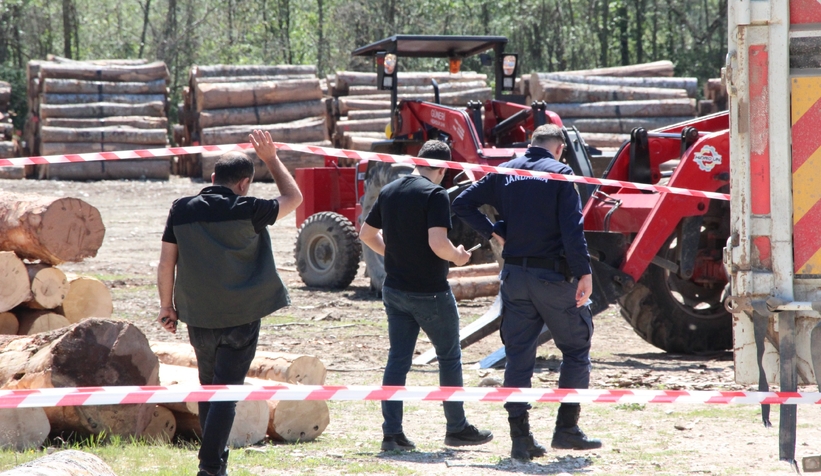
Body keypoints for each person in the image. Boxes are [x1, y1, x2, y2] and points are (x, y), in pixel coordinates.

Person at [156, 130, 303, 476]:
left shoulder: (181, 209)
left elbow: (166, 262)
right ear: (243, 184)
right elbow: (294, 197)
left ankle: (215, 462)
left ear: (212, 178)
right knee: (225, 392)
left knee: (210, 389)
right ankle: (210, 466)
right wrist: (271, 159)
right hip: (241, 316)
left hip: (197, 316)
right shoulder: (249, 208)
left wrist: (166, 306)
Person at [452, 123, 602, 460]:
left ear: (532, 143)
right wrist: (584, 272)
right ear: (559, 148)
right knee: (576, 349)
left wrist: (494, 233)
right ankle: (567, 429)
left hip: (515, 277)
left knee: (518, 356)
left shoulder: (505, 171)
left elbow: (462, 203)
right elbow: (572, 230)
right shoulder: (561, 173)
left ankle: (520, 439)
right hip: (552, 278)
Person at [359, 140, 493, 451]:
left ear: (418, 161)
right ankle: (456, 428)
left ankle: (392, 434)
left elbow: (366, 234)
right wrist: (458, 257)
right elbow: (438, 244)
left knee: (398, 360)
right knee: (449, 357)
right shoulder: (436, 194)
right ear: (444, 169)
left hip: (395, 289)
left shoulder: (389, 190)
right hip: (430, 292)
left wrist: (392, 254)